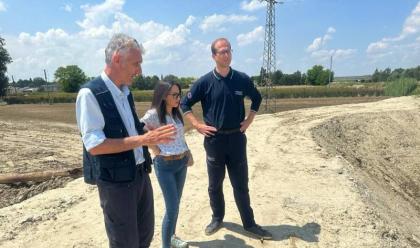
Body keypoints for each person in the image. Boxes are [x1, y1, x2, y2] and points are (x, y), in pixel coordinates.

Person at [76, 33, 176, 248]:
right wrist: (143, 138)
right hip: (116, 184)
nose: (140, 70)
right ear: (117, 60)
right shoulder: (90, 94)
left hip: (140, 174)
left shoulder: (125, 92)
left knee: (144, 237)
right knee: (125, 243)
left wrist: (149, 133)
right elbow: (94, 145)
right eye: (136, 64)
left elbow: (129, 128)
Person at [180, 37, 273, 240]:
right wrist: (196, 125)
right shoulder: (204, 82)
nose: (227, 54)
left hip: (237, 139)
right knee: (215, 184)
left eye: (229, 50)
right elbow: (184, 105)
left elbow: (256, 98)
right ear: (214, 56)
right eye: (222, 51)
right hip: (214, 141)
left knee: (241, 184)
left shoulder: (241, 79)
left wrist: (249, 120)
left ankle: (249, 223)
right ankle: (217, 218)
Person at [141, 81, 190, 248]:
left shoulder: (176, 113)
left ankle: (172, 238)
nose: (178, 98)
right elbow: (139, 129)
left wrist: (188, 152)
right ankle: (166, 245)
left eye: (179, 94)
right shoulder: (153, 114)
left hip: (181, 163)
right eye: (175, 95)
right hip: (165, 165)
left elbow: (180, 137)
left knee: (176, 205)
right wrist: (154, 148)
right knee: (172, 208)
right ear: (163, 96)